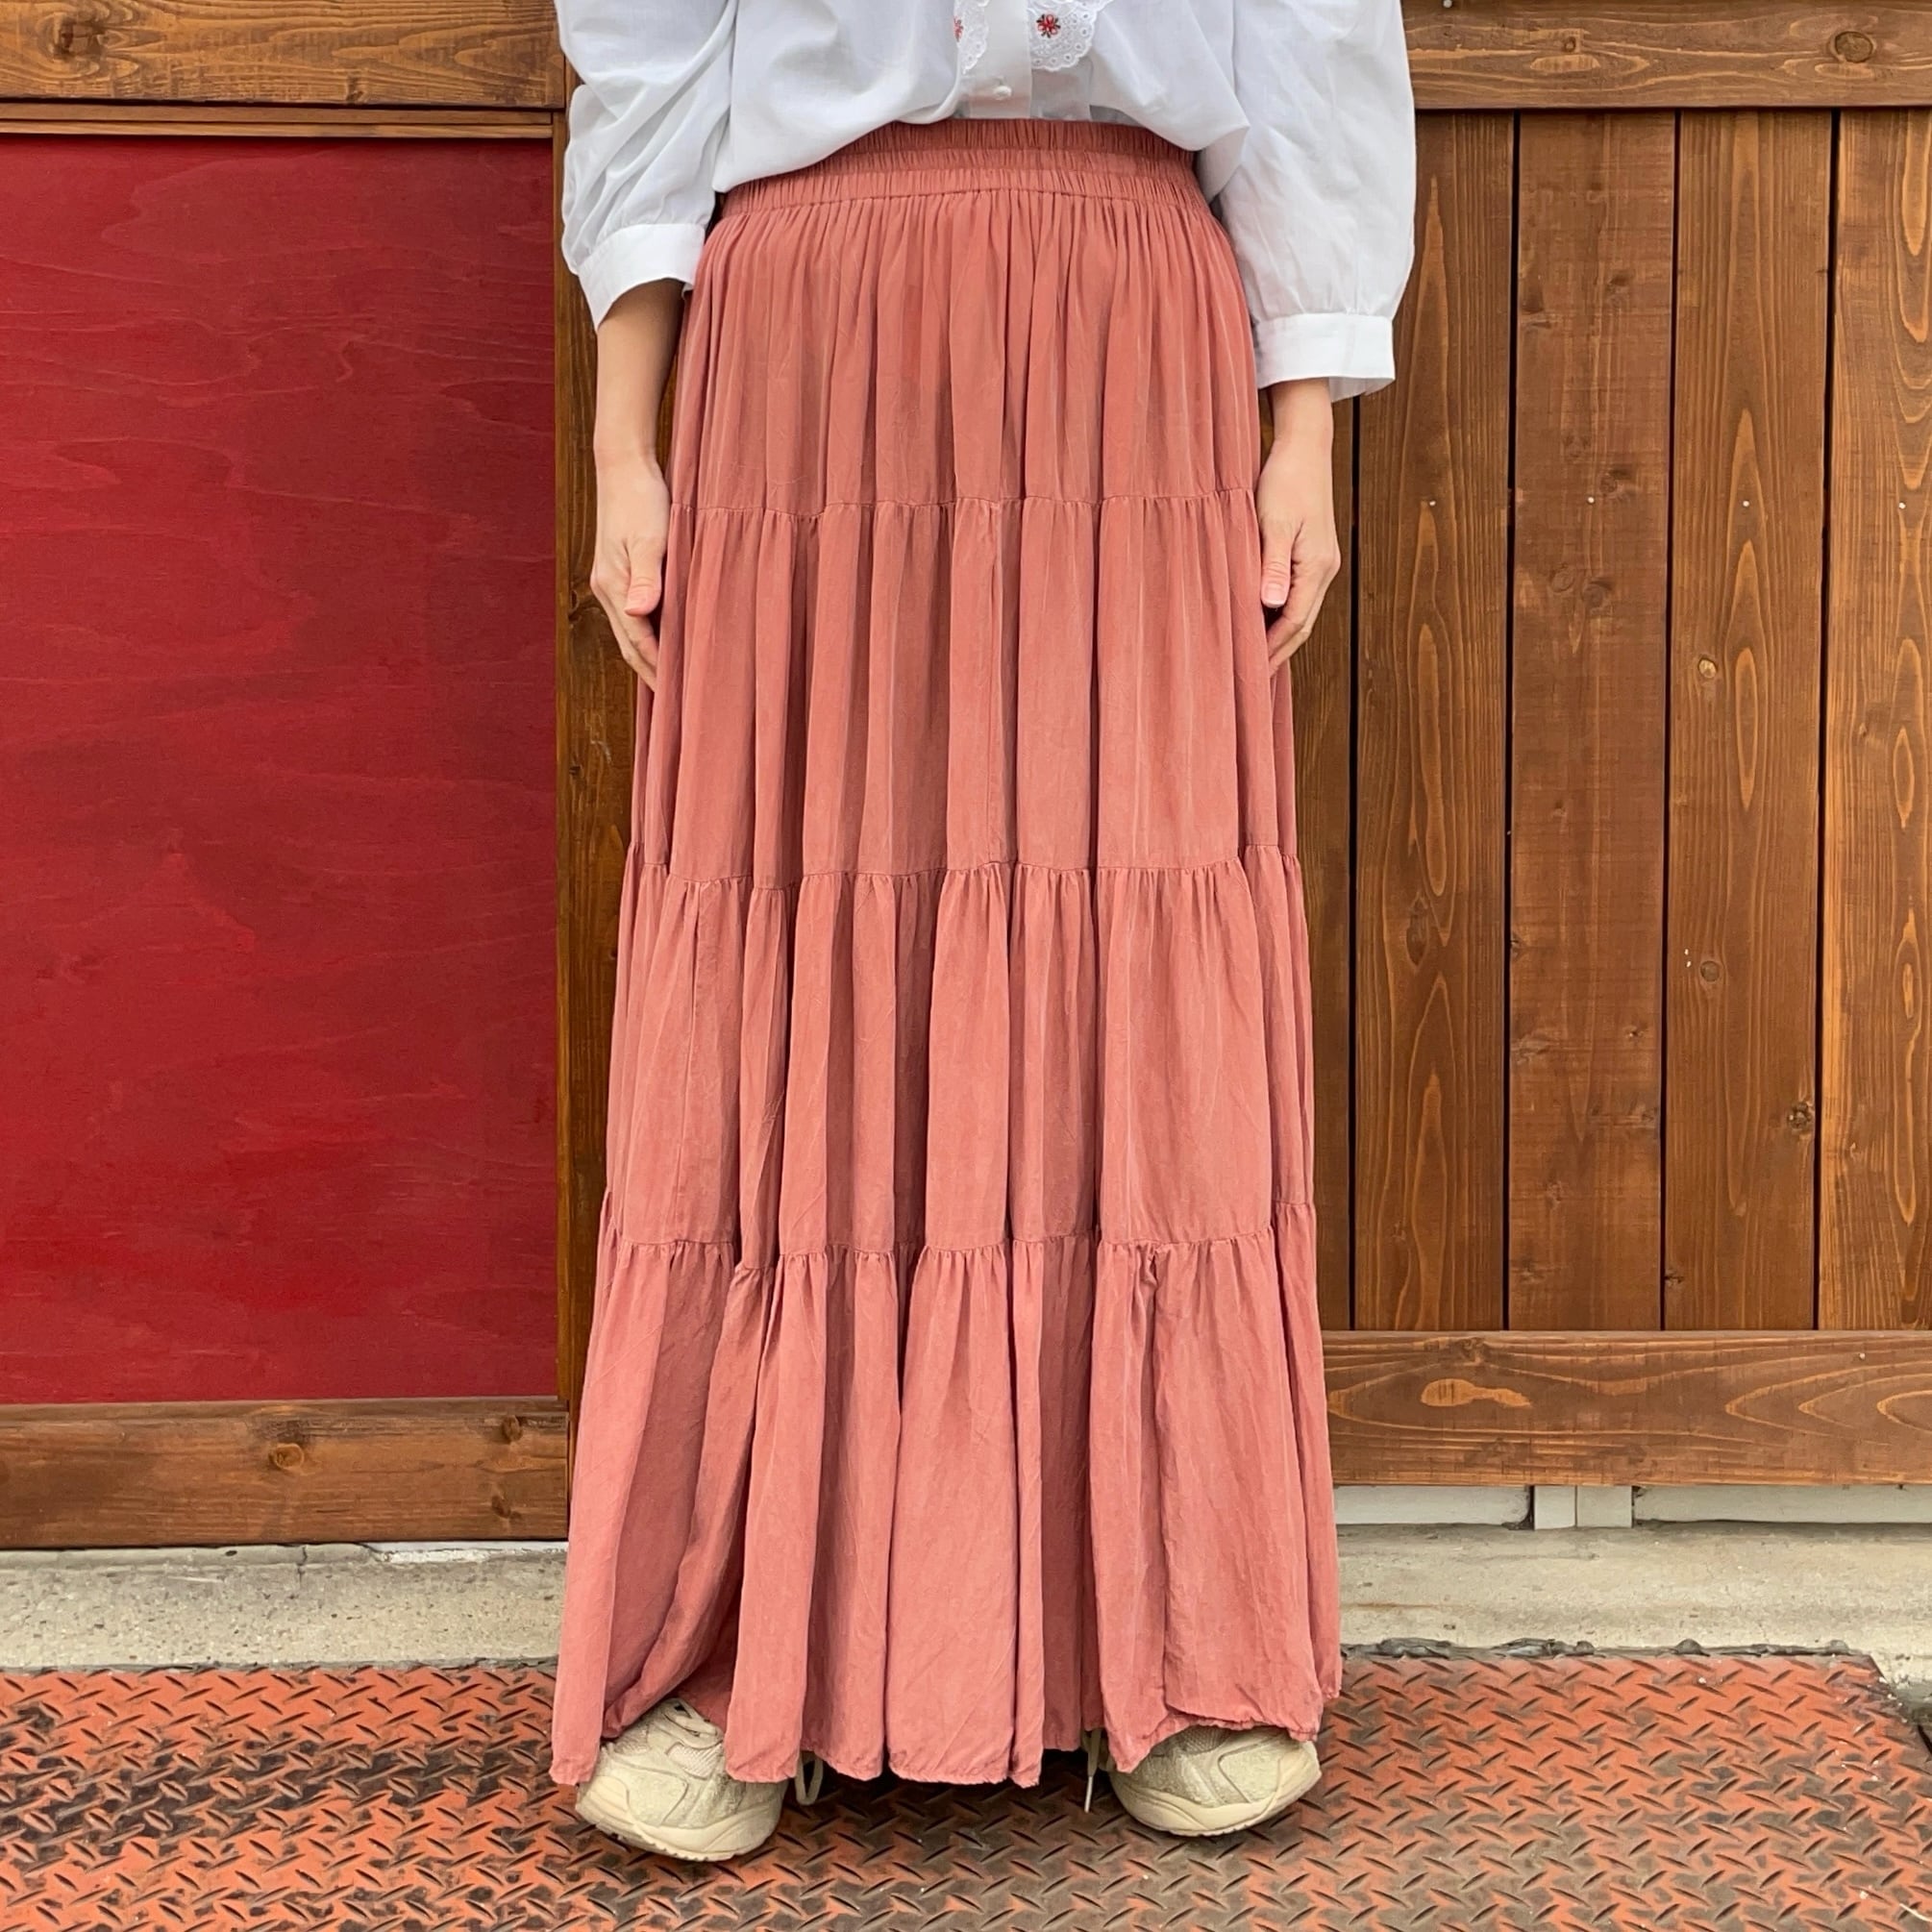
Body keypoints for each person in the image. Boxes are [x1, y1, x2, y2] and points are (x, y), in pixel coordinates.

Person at [545, 0, 1415, 1864]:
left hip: (1131, 322)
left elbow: (1310, 41)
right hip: (810, 331)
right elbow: (649, 56)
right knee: (801, 962)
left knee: (1135, 957)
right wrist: (625, 449)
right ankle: (739, 1649)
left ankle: (1173, 1642)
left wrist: (1304, 434)